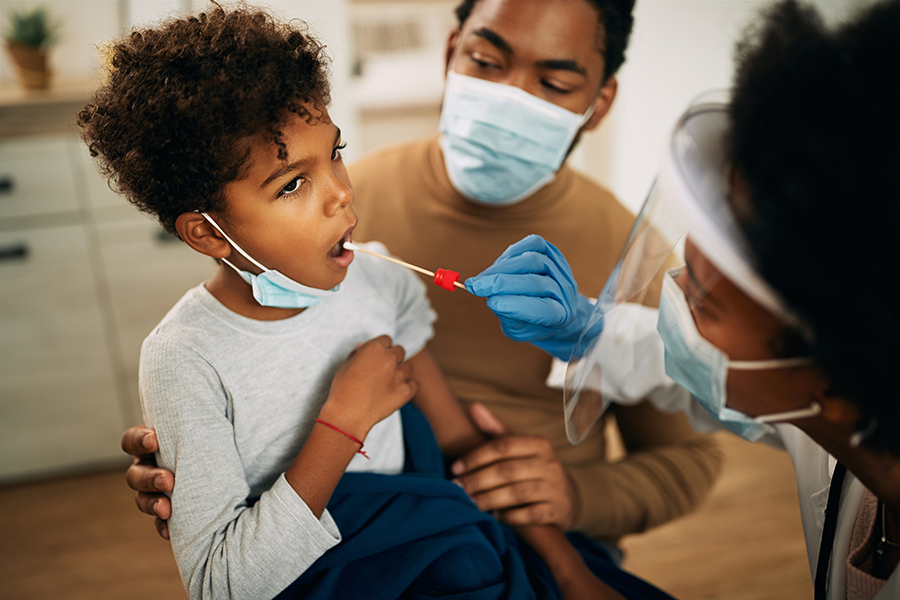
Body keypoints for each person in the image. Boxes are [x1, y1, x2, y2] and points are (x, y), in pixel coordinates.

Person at [80, 6, 680, 600]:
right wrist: (344, 422)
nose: (342, 193)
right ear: (209, 235)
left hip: (463, 548)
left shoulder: (379, 279)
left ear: (599, 101)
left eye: (337, 153)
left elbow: (466, 454)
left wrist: (574, 574)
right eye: (293, 183)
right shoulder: (183, 357)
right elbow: (223, 584)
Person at [464, 1, 900, 598]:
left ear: (841, 379)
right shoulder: (838, 418)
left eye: (703, 303)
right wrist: (586, 331)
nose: (672, 297)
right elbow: (692, 372)